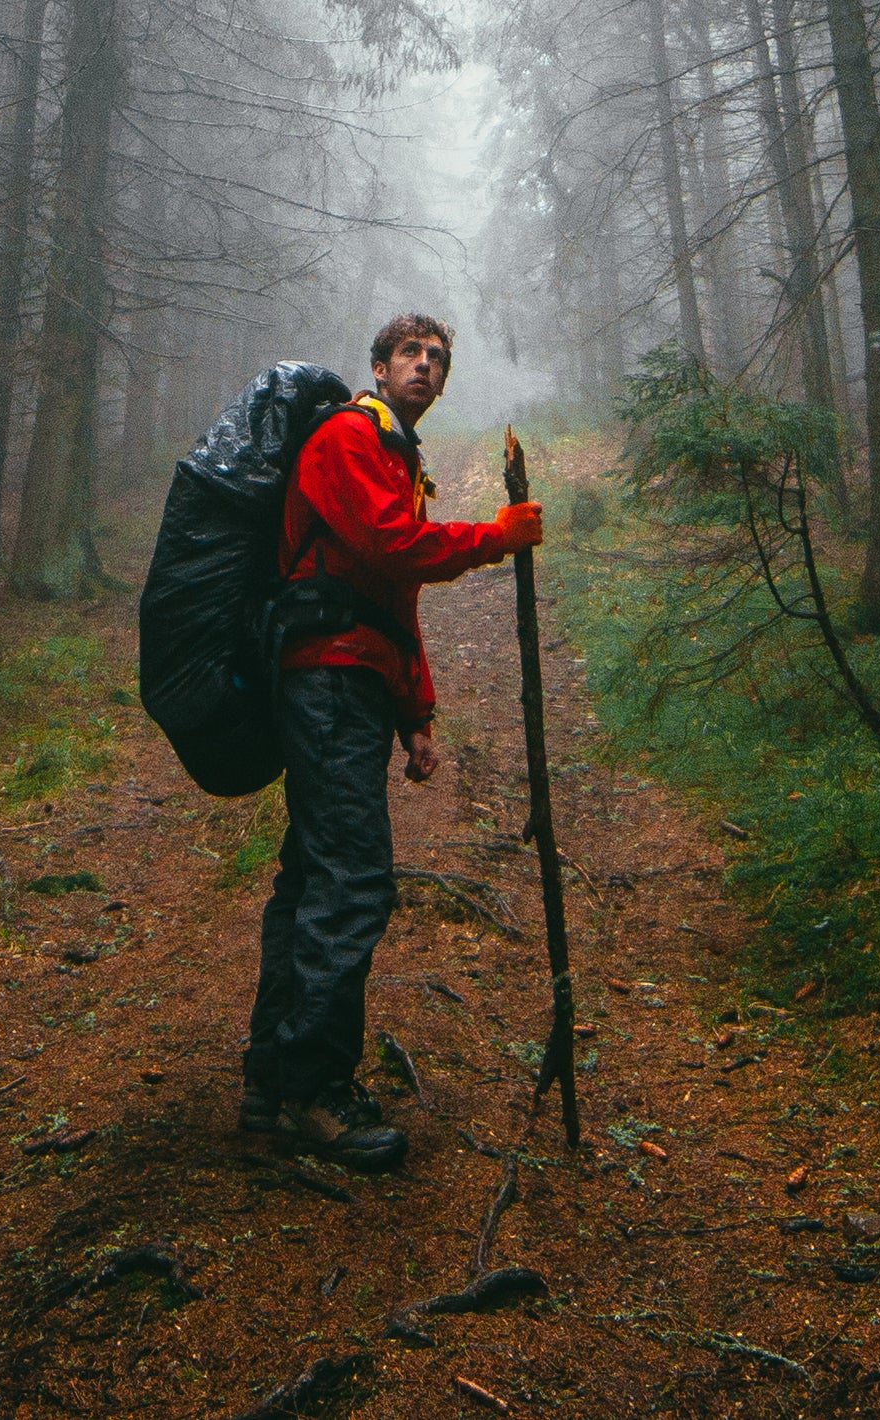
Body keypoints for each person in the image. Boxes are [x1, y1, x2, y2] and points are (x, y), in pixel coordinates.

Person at [239, 314, 544, 1170]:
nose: (425, 365)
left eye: (437, 358)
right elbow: (388, 543)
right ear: (377, 368)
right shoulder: (347, 435)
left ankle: (272, 1080)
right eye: (410, 353)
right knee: (352, 882)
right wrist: (495, 539)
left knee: (312, 879)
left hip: (354, 678)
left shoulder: (396, 455)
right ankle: (313, 1091)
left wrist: (416, 714)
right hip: (326, 679)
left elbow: (387, 592)